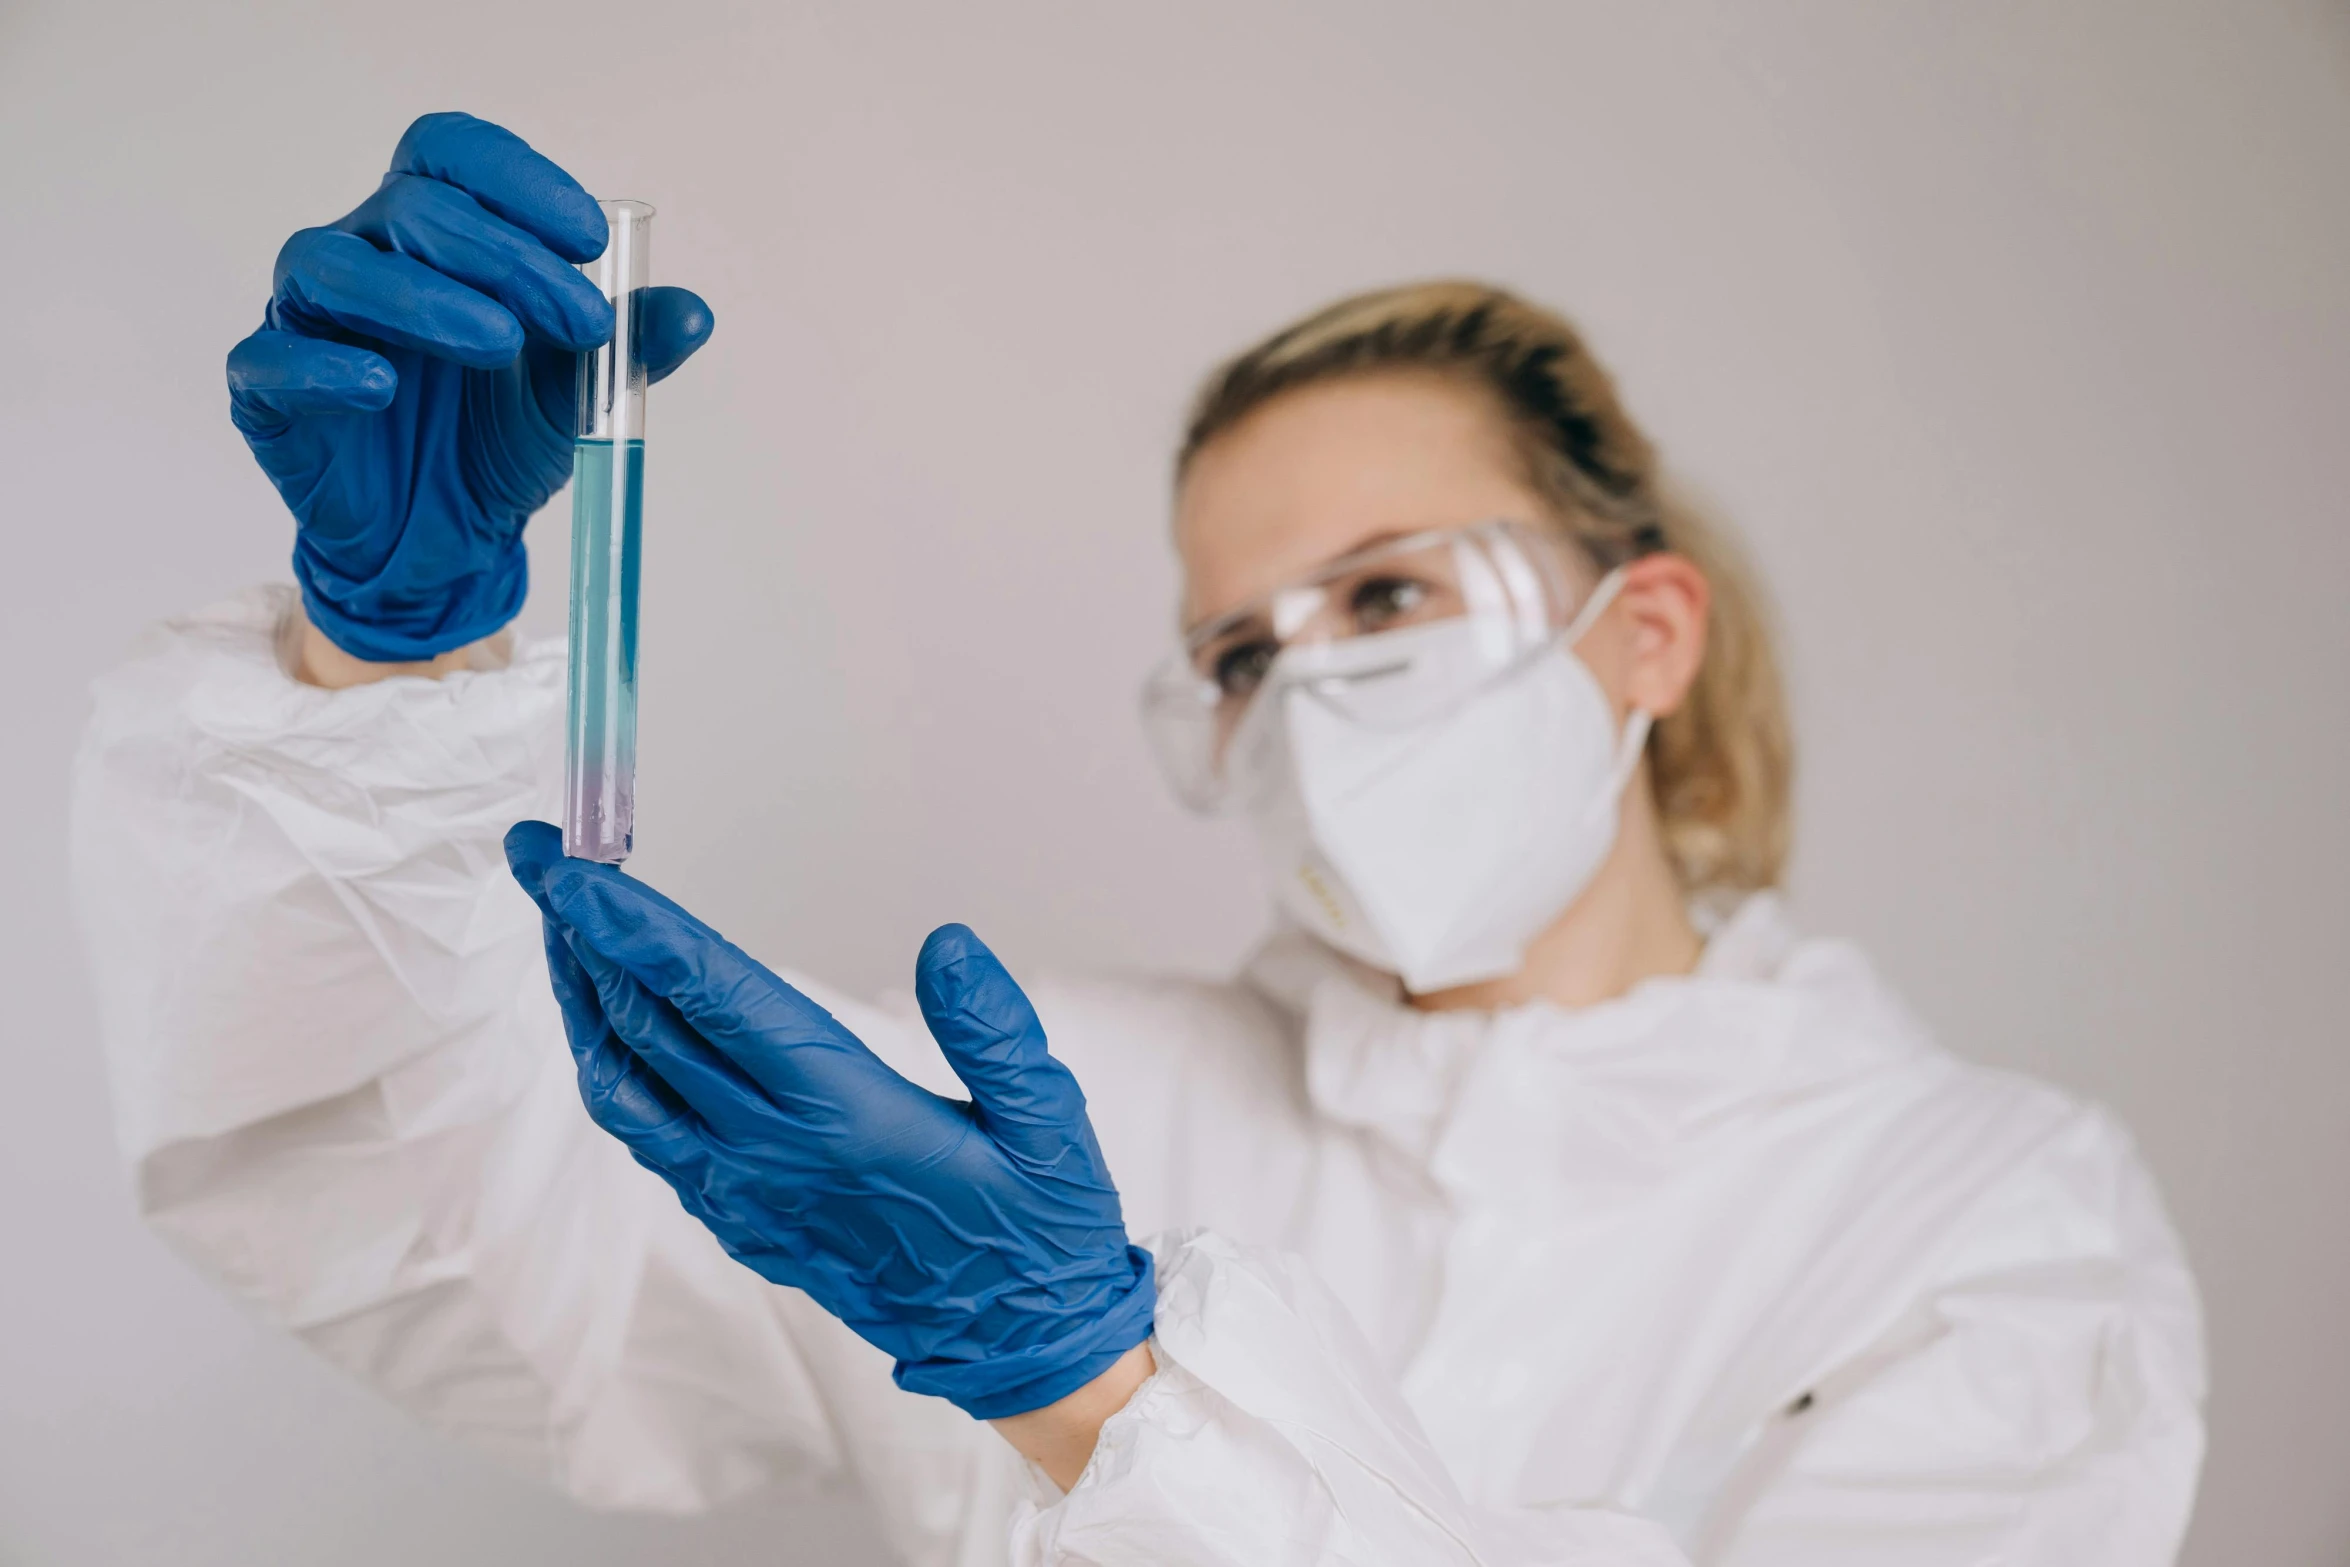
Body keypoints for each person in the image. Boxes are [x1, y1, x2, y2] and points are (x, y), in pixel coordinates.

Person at [69, 112, 2205, 1566]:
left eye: (1383, 597)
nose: (1304, 691)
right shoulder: (1029, 1119)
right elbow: (419, 1201)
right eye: (1236, 650)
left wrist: (1097, 1385)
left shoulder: (1985, 1220)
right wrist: (383, 653)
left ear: (1640, 632)